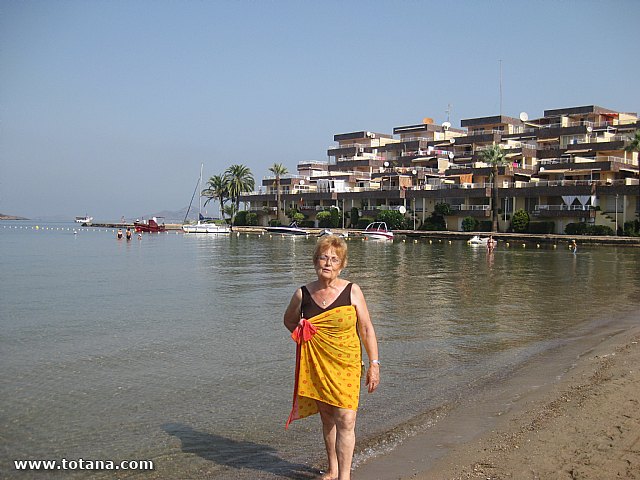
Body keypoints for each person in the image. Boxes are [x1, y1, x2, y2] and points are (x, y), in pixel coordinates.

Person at [284, 235, 380, 480]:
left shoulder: (352, 291)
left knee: (346, 419)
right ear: (315, 261)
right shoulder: (302, 294)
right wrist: (302, 332)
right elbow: (289, 321)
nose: (327, 263)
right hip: (318, 363)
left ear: (342, 264)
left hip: (347, 363)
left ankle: (344, 476)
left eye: (334, 259)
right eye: (323, 257)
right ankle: (333, 469)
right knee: (327, 419)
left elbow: (366, 329)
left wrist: (374, 364)